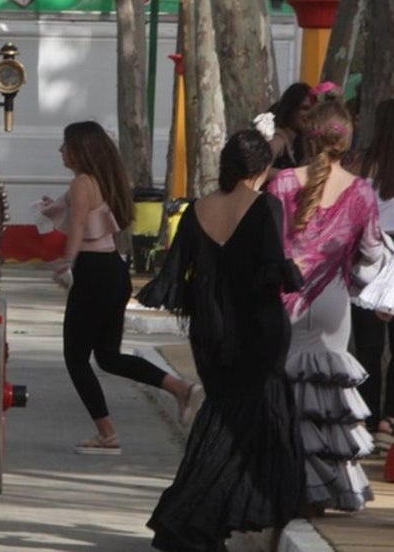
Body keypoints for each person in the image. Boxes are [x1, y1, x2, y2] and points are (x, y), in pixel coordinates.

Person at [139, 129, 305, 551]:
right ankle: (205, 511)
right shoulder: (266, 206)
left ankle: (218, 513)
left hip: (211, 333)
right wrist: (295, 268)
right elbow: (272, 270)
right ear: (262, 168)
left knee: (225, 416)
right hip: (259, 330)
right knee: (260, 420)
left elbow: (175, 274)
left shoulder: (198, 210)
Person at [268, 89, 393, 514]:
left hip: (284, 300)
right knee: (325, 401)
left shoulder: (282, 182)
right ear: (346, 141)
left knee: (284, 395)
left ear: (309, 137)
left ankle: (282, 485)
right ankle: (320, 493)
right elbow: (373, 254)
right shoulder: (360, 192)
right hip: (333, 301)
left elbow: (266, 244)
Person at [40, 121, 198, 454]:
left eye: (65, 145)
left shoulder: (82, 182)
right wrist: (52, 208)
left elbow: (80, 225)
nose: (60, 151)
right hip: (113, 270)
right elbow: (79, 215)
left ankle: (107, 432)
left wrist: (67, 263)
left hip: (93, 272)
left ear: (80, 149)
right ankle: (180, 388)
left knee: (76, 357)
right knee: (108, 356)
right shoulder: (103, 179)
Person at [351, 97, 394, 443]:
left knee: (367, 349)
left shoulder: (360, 167)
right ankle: (389, 420)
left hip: (366, 262)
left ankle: (366, 417)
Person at [269, 81, 312, 171]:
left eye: (313, 109)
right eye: (305, 108)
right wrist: (289, 176)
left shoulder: (299, 142)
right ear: (291, 108)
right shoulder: (278, 140)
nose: (310, 114)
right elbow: (258, 170)